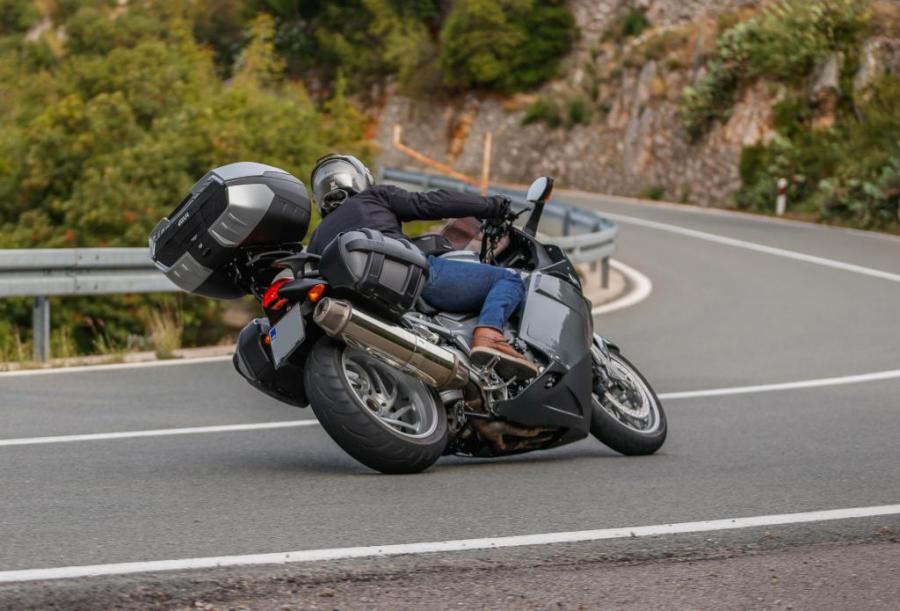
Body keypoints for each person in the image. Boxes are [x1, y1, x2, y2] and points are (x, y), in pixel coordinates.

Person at [306, 154, 538, 380]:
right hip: (411, 276)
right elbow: (432, 203)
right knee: (508, 279)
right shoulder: (373, 197)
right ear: (359, 178)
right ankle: (489, 336)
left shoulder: (317, 237)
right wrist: (493, 206)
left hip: (360, 303)